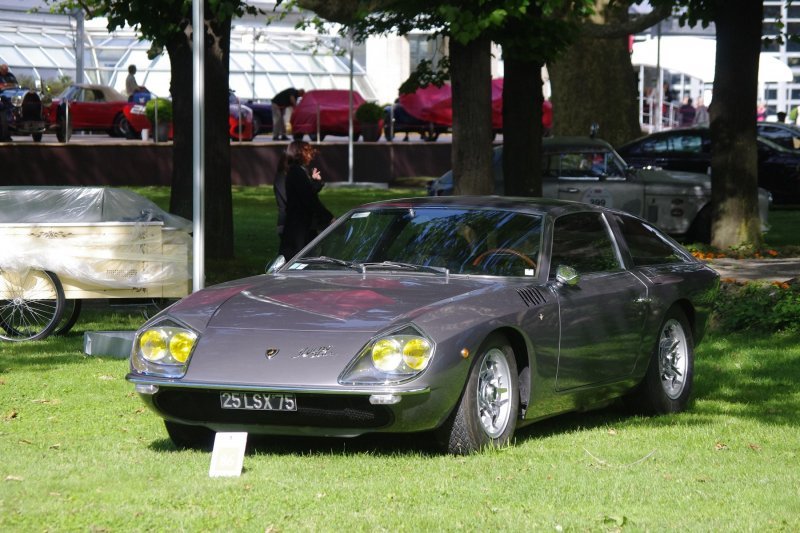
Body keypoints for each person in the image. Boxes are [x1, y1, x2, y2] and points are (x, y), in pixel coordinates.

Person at [275, 140, 334, 259]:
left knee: (303, 258)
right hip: (298, 227)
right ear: (299, 153)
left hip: (302, 226)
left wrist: (314, 182)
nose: (310, 155)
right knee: (296, 259)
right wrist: (329, 218)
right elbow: (309, 199)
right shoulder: (295, 172)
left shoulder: (296, 172)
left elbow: (306, 194)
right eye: (307, 152)